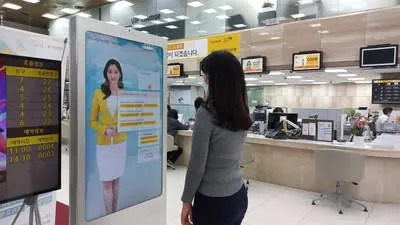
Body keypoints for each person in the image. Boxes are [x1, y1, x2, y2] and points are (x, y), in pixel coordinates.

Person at [181, 51, 251, 225]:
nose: (205, 81)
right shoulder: (242, 112)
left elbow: (197, 166)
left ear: (219, 80)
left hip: (213, 202)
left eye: (208, 76)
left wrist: (186, 200)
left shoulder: (206, 114)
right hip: (238, 194)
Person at [90, 59, 127, 214]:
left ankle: (115, 213)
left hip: (120, 143)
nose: (113, 75)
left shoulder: (126, 94)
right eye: (110, 72)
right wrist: (104, 130)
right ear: (106, 73)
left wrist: (122, 126)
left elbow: (130, 118)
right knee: (107, 183)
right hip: (104, 145)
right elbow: (92, 121)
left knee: (117, 180)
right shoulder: (98, 94)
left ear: (120, 74)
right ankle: (108, 216)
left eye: (116, 72)